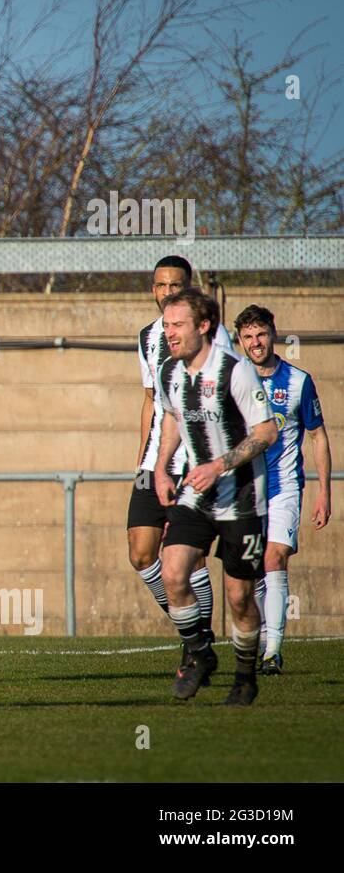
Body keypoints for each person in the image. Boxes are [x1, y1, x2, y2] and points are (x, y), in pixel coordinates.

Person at [154, 288, 276, 706]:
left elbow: (266, 432)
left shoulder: (234, 371)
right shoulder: (170, 372)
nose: (170, 333)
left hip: (242, 498)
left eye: (178, 325)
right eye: (166, 325)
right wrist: (161, 468)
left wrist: (219, 465)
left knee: (239, 598)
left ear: (203, 326)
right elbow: (172, 417)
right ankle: (201, 654)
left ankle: (245, 678)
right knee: (172, 572)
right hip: (196, 497)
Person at [128, 256, 233, 664]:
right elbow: (151, 401)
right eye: (160, 285)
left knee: (187, 556)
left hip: (196, 460)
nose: (167, 292)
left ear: (189, 288)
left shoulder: (212, 334)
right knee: (140, 552)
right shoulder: (147, 337)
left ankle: (197, 646)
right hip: (156, 460)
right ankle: (194, 634)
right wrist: (143, 461)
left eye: (175, 286)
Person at [233, 305, 332, 674]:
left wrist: (324, 492)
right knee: (253, 568)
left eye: (261, 334)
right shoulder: (235, 378)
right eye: (248, 337)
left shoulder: (298, 381)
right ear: (240, 341)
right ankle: (262, 641)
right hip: (243, 489)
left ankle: (273, 650)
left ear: (273, 334)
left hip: (284, 486)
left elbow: (317, 435)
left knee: (275, 557)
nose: (256, 343)